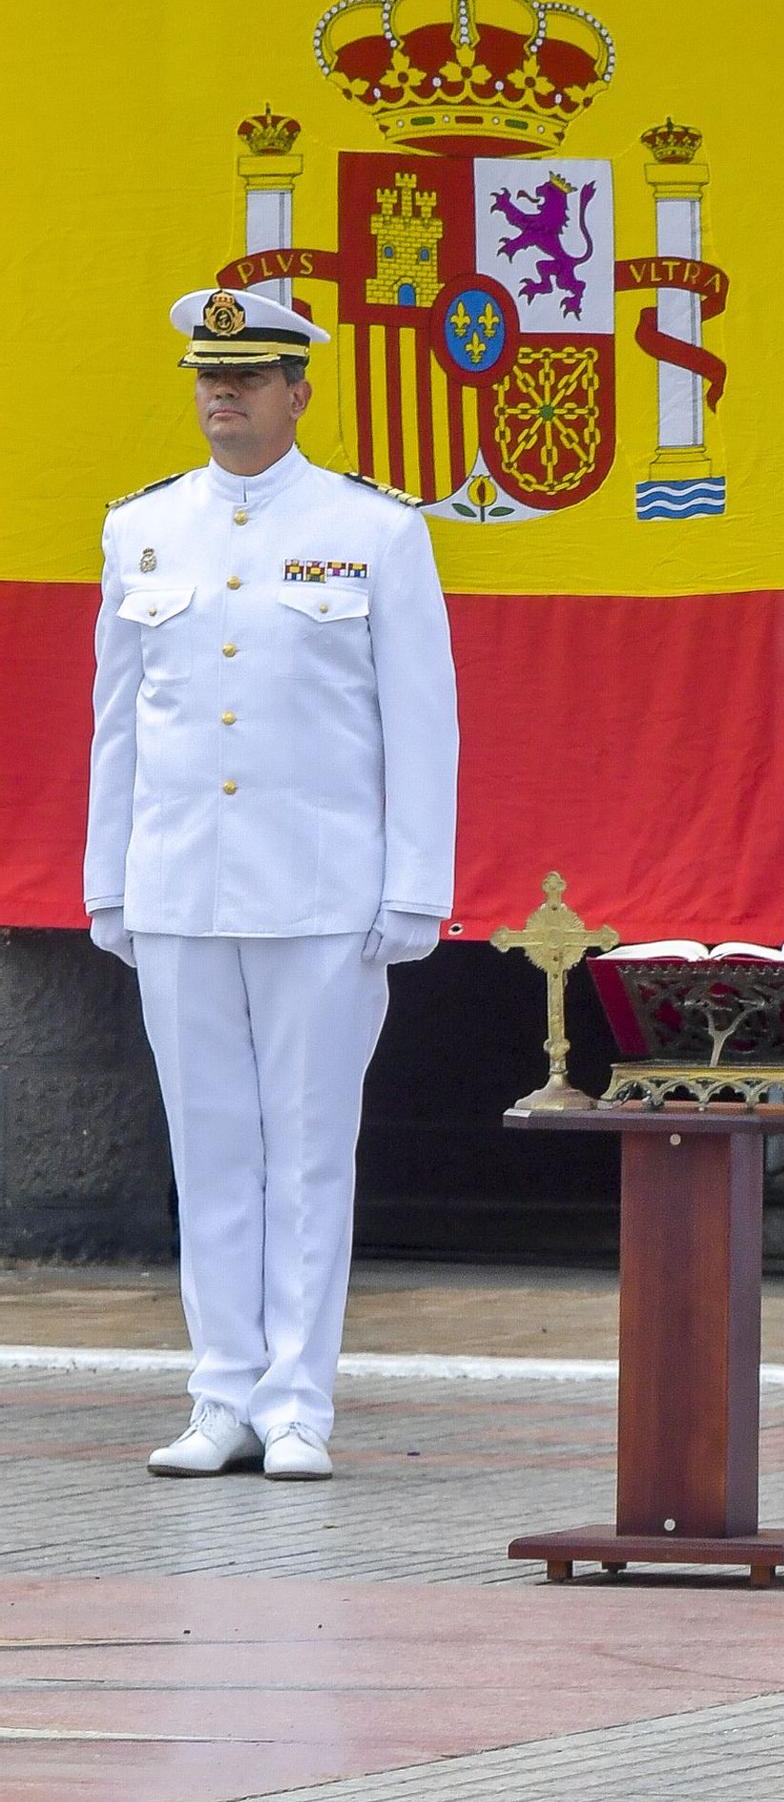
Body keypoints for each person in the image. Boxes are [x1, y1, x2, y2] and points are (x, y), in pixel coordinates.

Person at [85, 285, 458, 1480]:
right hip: (181, 881)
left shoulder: (375, 530)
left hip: (320, 888)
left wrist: (414, 889)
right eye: (208, 375)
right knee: (207, 1144)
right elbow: (116, 728)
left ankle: (298, 1399)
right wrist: (107, 881)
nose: (223, 394)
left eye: (247, 377)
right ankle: (220, 1394)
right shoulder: (140, 530)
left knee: (307, 1145)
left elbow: (422, 721)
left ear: (300, 391)